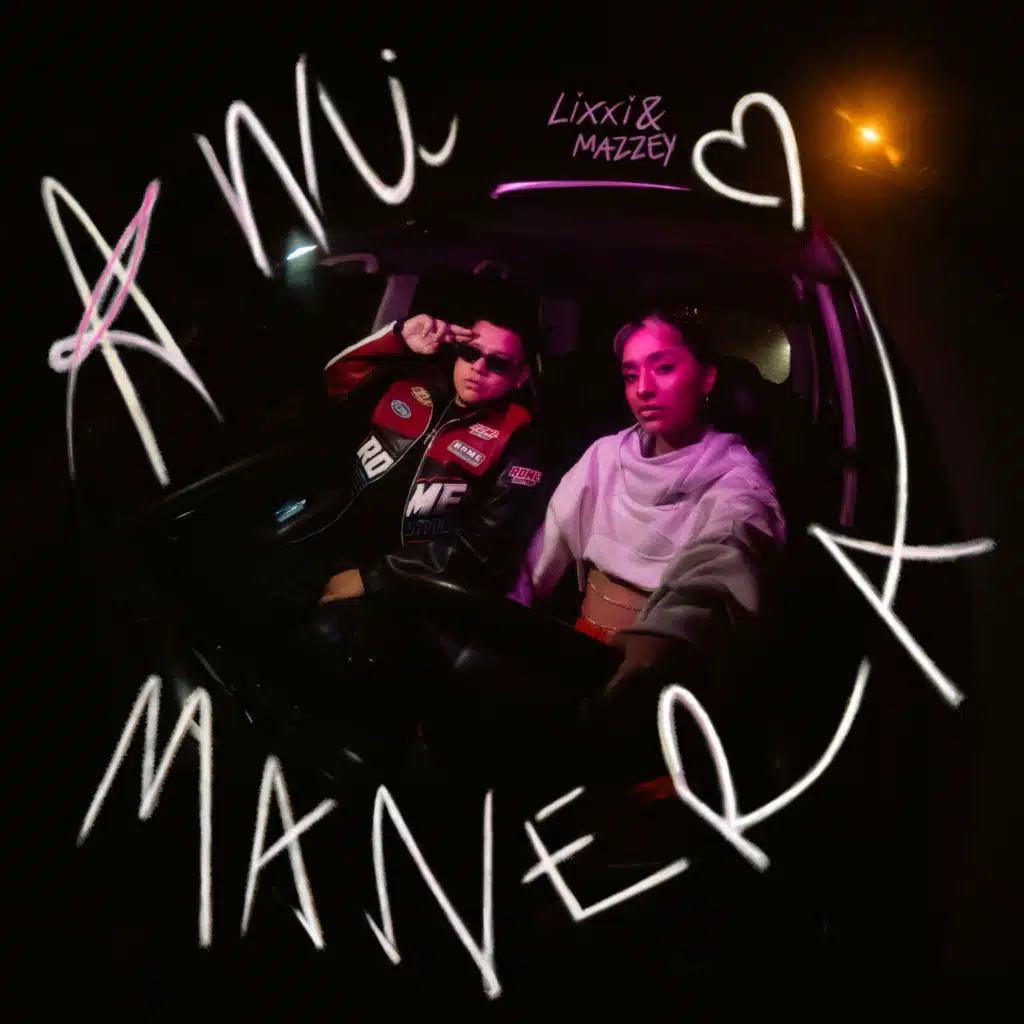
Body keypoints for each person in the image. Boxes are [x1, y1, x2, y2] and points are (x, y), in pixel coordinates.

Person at [510, 306, 786, 783]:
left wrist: (662, 640)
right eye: (630, 374)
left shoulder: (738, 482)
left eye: (663, 367)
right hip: (581, 654)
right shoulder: (605, 457)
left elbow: (724, 560)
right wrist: (508, 626)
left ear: (707, 378)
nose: (643, 388)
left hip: (669, 677)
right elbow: (542, 554)